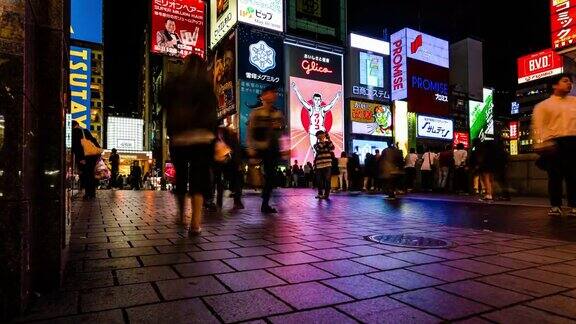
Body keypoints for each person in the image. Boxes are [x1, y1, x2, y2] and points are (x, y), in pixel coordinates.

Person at [161, 55, 218, 235]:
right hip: (202, 138)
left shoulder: (174, 82)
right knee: (197, 178)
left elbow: (163, 101)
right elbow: (212, 114)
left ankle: (180, 214)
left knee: (181, 178)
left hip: (179, 138)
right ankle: (195, 222)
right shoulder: (206, 86)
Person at [532, 73, 576, 216]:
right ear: (554, 85)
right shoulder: (543, 106)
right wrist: (541, 144)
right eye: (565, 81)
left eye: (570, 81)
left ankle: (574, 206)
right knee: (555, 176)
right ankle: (555, 205)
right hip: (554, 144)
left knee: (574, 176)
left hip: (574, 142)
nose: (569, 83)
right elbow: (538, 127)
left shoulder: (575, 102)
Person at [248, 85, 285, 213]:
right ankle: (263, 200)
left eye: (274, 93)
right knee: (261, 175)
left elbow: (282, 132)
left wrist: (284, 147)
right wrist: (251, 147)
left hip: (273, 148)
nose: (272, 95)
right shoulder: (256, 112)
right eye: (269, 93)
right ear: (263, 96)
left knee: (271, 176)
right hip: (260, 147)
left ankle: (265, 203)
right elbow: (250, 131)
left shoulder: (277, 112)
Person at [291, 81, 342, 149]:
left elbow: (330, 105)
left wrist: (337, 97)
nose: (317, 101)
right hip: (313, 133)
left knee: (322, 148)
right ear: (313, 100)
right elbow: (302, 101)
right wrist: (296, 90)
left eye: (318, 100)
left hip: (321, 133)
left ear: (320, 101)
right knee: (314, 149)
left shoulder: (322, 109)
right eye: (315, 99)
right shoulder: (311, 108)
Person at [71, 120, 101, 199]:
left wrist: (81, 158)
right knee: (90, 175)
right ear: (78, 124)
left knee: (86, 175)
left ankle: (88, 194)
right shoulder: (85, 131)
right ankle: (92, 193)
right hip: (92, 156)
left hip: (84, 157)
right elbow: (94, 142)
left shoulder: (75, 132)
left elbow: (76, 147)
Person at [314, 131, 335, 199]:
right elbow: (319, 149)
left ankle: (326, 195)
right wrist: (325, 142)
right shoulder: (315, 145)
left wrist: (328, 139)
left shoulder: (328, 142)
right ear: (317, 136)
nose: (322, 135)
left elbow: (332, 147)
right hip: (319, 165)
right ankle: (320, 194)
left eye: (322, 134)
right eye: (319, 135)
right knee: (319, 180)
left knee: (327, 180)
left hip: (328, 164)